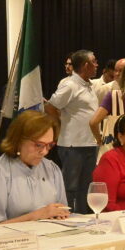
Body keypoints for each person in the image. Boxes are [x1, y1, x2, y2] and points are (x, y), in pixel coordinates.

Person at [0, 111, 70, 225]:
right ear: (19, 140)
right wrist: (37, 215)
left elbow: (62, 212)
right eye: (39, 145)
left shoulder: (52, 169)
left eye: (49, 145)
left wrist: (60, 214)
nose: (44, 152)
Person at [47, 49, 100, 213]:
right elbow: (50, 106)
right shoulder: (70, 85)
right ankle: (65, 217)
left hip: (89, 143)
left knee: (86, 186)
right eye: (94, 62)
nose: (97, 65)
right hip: (72, 144)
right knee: (70, 186)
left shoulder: (89, 85)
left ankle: (83, 219)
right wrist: (59, 127)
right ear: (85, 65)